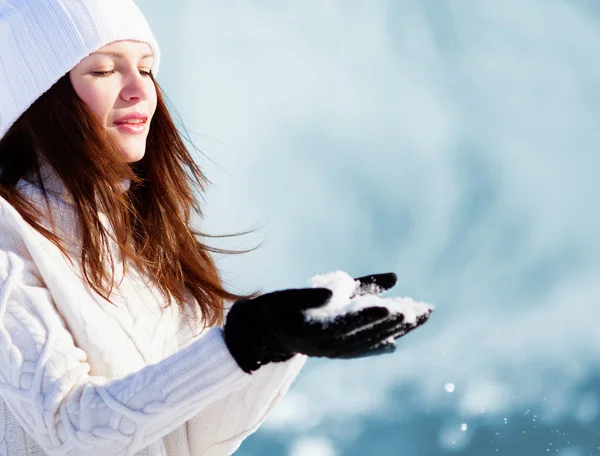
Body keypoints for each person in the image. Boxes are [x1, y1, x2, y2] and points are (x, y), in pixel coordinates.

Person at [0, 1, 432, 455]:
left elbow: (191, 439)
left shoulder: (140, 234)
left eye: (146, 69)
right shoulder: (9, 239)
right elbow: (72, 431)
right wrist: (245, 344)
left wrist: (276, 344)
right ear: (40, 95)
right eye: (104, 71)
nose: (138, 91)